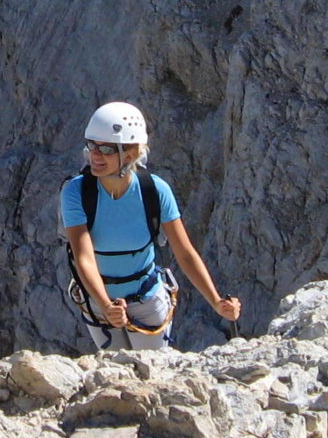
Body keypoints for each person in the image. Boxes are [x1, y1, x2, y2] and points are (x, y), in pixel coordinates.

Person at [61, 101, 240, 350]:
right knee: (116, 377)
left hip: (146, 298)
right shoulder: (75, 192)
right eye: (92, 145)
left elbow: (185, 252)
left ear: (131, 154)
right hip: (99, 300)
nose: (95, 155)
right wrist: (106, 305)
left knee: (151, 375)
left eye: (106, 149)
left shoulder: (155, 191)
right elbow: (84, 257)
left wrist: (216, 300)